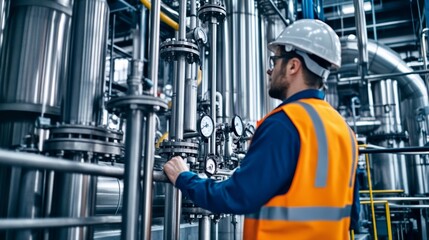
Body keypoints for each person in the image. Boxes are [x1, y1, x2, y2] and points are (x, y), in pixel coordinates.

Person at [164, 19, 360, 240]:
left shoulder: (285, 123)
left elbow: (237, 195)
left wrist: (184, 177)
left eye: (275, 61)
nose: (270, 69)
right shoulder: (345, 131)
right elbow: (354, 217)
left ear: (293, 66)